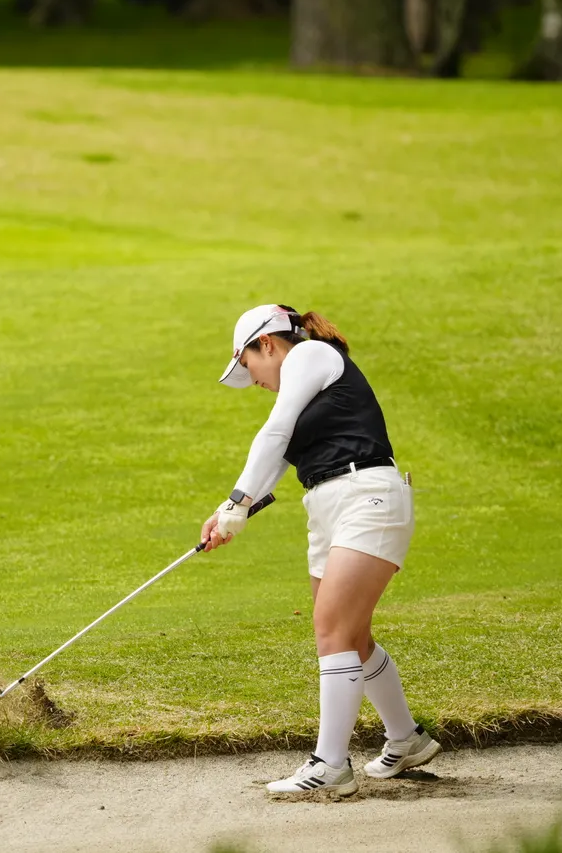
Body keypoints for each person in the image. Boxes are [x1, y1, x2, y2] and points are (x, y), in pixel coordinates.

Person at [201, 304, 440, 796]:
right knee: (351, 636)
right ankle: (407, 739)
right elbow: (277, 454)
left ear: (267, 344)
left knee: (332, 629)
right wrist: (229, 510)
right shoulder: (302, 385)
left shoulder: (310, 355)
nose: (255, 381)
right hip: (328, 507)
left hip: (367, 498)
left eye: (248, 365)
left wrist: (237, 502)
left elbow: (275, 430)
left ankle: (330, 765)